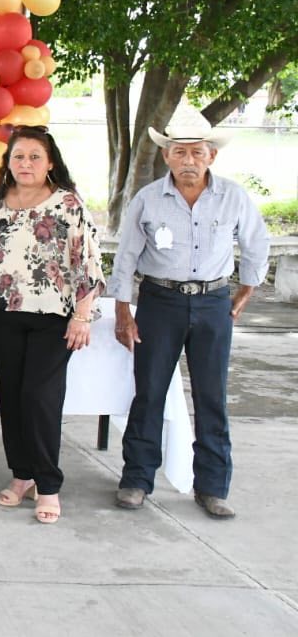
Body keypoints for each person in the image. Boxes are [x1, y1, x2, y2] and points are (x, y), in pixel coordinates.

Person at [111, 113, 270, 520]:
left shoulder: (232, 197)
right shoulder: (147, 199)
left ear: (211, 156)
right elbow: (126, 257)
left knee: (211, 396)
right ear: (167, 156)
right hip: (159, 302)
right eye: (179, 152)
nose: (188, 160)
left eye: (196, 152)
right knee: (149, 392)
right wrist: (123, 312)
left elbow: (256, 242)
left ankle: (212, 487)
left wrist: (247, 288)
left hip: (213, 303)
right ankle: (136, 479)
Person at [0, 126, 105, 525]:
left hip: (53, 316)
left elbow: (88, 261)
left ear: (50, 163)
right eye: (18, 156)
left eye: (34, 156)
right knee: (11, 398)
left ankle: (48, 484)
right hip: (3, 313)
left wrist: (82, 315)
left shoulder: (67, 203)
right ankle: (22, 475)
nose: (25, 163)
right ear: (7, 162)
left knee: (39, 398)